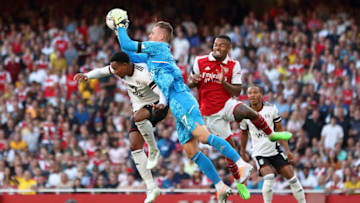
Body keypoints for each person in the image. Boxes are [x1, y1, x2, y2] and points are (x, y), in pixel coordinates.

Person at [112, 10, 291, 202]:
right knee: (191, 150)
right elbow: (129, 53)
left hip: (182, 100)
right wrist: (117, 31)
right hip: (174, 104)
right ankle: (220, 185)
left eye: (152, 32)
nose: (149, 36)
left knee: (204, 136)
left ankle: (241, 163)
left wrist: (121, 24)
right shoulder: (151, 56)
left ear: (161, 36)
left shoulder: (159, 47)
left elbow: (128, 44)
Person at [188, 35, 293, 198]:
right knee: (230, 150)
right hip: (211, 113)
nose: (217, 47)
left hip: (227, 103)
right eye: (215, 44)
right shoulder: (200, 61)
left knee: (249, 112)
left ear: (228, 48)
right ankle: (239, 183)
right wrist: (193, 80)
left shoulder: (233, 64)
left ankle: (271, 135)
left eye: (221, 45)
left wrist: (223, 83)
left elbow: (237, 91)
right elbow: (190, 83)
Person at [74, 52, 168, 203]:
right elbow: (102, 71)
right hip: (139, 108)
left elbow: (161, 91)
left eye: (117, 69)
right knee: (134, 146)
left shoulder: (143, 73)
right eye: (114, 69)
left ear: (126, 65)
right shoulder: (119, 69)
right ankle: (151, 187)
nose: (115, 72)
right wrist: (87, 75)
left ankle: (153, 149)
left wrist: (162, 103)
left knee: (138, 118)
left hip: (157, 105)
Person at [240, 85, 306, 203]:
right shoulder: (244, 112)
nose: (252, 95)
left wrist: (287, 150)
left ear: (261, 95)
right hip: (259, 152)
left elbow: (280, 130)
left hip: (275, 150)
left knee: (293, 179)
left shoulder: (271, 109)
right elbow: (244, 133)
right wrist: (242, 152)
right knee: (269, 177)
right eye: (250, 93)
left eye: (255, 92)